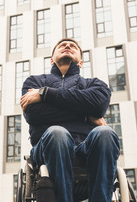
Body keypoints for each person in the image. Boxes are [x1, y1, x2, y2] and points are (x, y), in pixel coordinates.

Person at [20, 38, 120, 202]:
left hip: (86, 147)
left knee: (105, 133)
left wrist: (45, 94)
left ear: (80, 62)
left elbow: (99, 105)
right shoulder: (34, 82)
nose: (67, 46)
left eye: (73, 46)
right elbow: (33, 113)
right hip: (47, 146)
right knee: (57, 133)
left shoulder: (94, 84)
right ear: (52, 60)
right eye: (62, 45)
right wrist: (85, 114)